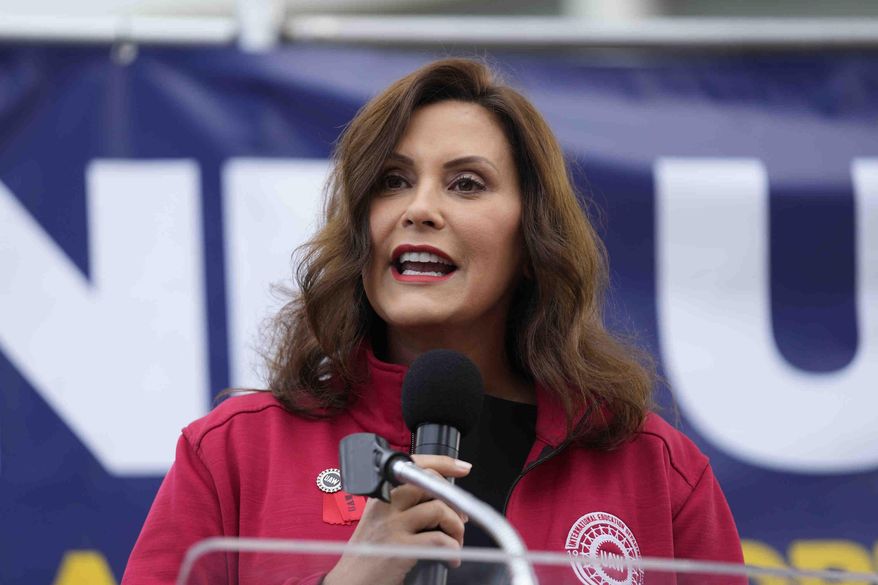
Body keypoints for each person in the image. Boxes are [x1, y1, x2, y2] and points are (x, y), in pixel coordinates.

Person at [122, 58, 744, 585]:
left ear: (532, 242)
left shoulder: (655, 471)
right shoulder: (234, 453)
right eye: (392, 181)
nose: (419, 209)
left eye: (466, 184)